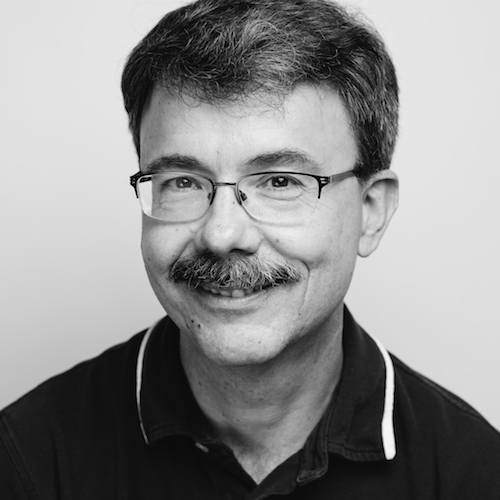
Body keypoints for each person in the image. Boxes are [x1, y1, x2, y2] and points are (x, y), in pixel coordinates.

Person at [1, 0, 499, 497]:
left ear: (371, 210)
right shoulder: (28, 460)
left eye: (280, 181)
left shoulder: (474, 475)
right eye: (183, 181)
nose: (222, 235)